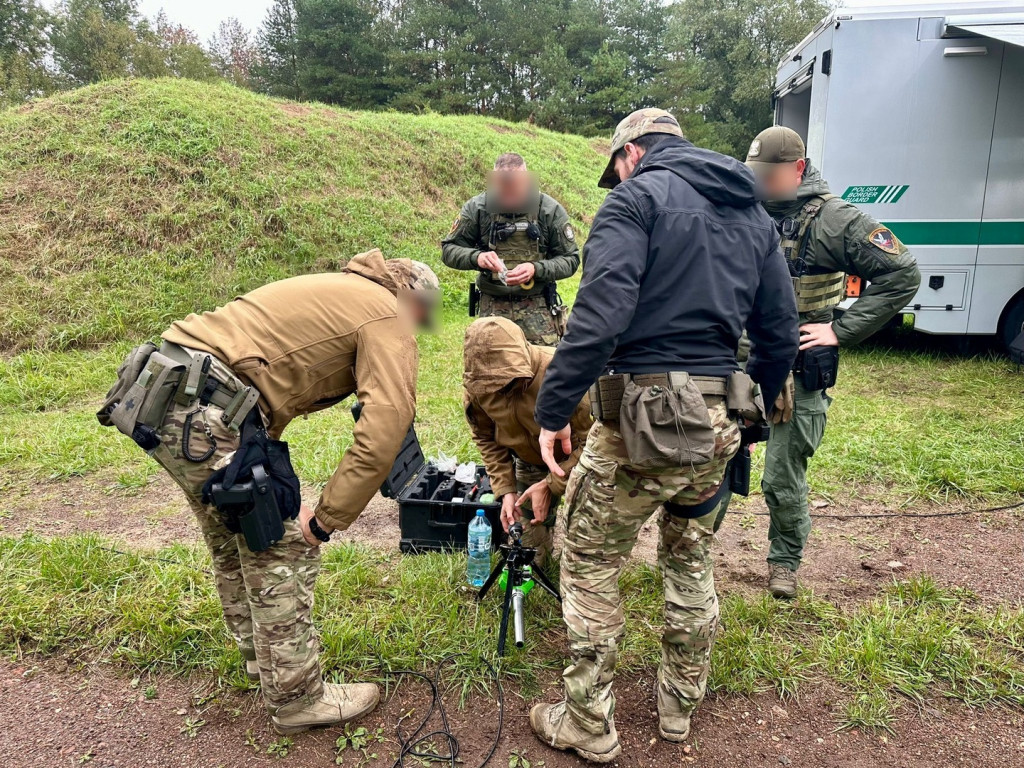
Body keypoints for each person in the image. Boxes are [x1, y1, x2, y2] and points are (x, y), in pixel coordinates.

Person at [528, 108, 800, 761]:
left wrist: (553, 409)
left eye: (614, 169)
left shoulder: (635, 201)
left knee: (591, 559)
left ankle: (588, 723)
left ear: (630, 154)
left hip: (650, 410)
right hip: (723, 409)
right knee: (689, 553)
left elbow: (601, 314)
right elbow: (779, 332)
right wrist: (752, 410)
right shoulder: (751, 213)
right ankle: (680, 704)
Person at [97, 250, 439, 735]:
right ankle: (297, 699)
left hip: (166, 391)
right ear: (410, 296)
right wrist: (325, 520)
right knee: (282, 545)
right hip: (205, 406)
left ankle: (265, 665)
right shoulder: (387, 311)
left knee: (234, 535)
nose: (419, 331)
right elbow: (387, 422)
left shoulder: (340, 289)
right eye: (422, 317)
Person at [734, 125, 921, 599]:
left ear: (798, 170)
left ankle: (783, 564)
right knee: (713, 459)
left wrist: (839, 331)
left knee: (782, 474)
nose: (758, 183)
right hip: (739, 364)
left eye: (768, 176)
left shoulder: (836, 221)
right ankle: (692, 551)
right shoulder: (740, 205)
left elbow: (902, 274)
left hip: (798, 370)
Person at [461, 316, 592, 565]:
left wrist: (550, 484)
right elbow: (485, 437)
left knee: (585, 552)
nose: (497, 390)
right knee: (529, 558)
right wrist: (506, 490)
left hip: (582, 464)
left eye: (505, 382)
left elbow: (594, 443)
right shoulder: (478, 386)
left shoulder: (563, 373)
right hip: (529, 463)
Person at [442, 152, 580, 345]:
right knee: (491, 371)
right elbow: (449, 249)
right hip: (492, 308)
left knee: (542, 373)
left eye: (515, 190)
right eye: (503, 191)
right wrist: (477, 258)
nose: (509, 197)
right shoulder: (478, 208)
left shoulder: (549, 210)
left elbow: (571, 259)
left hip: (539, 311)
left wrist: (536, 269)